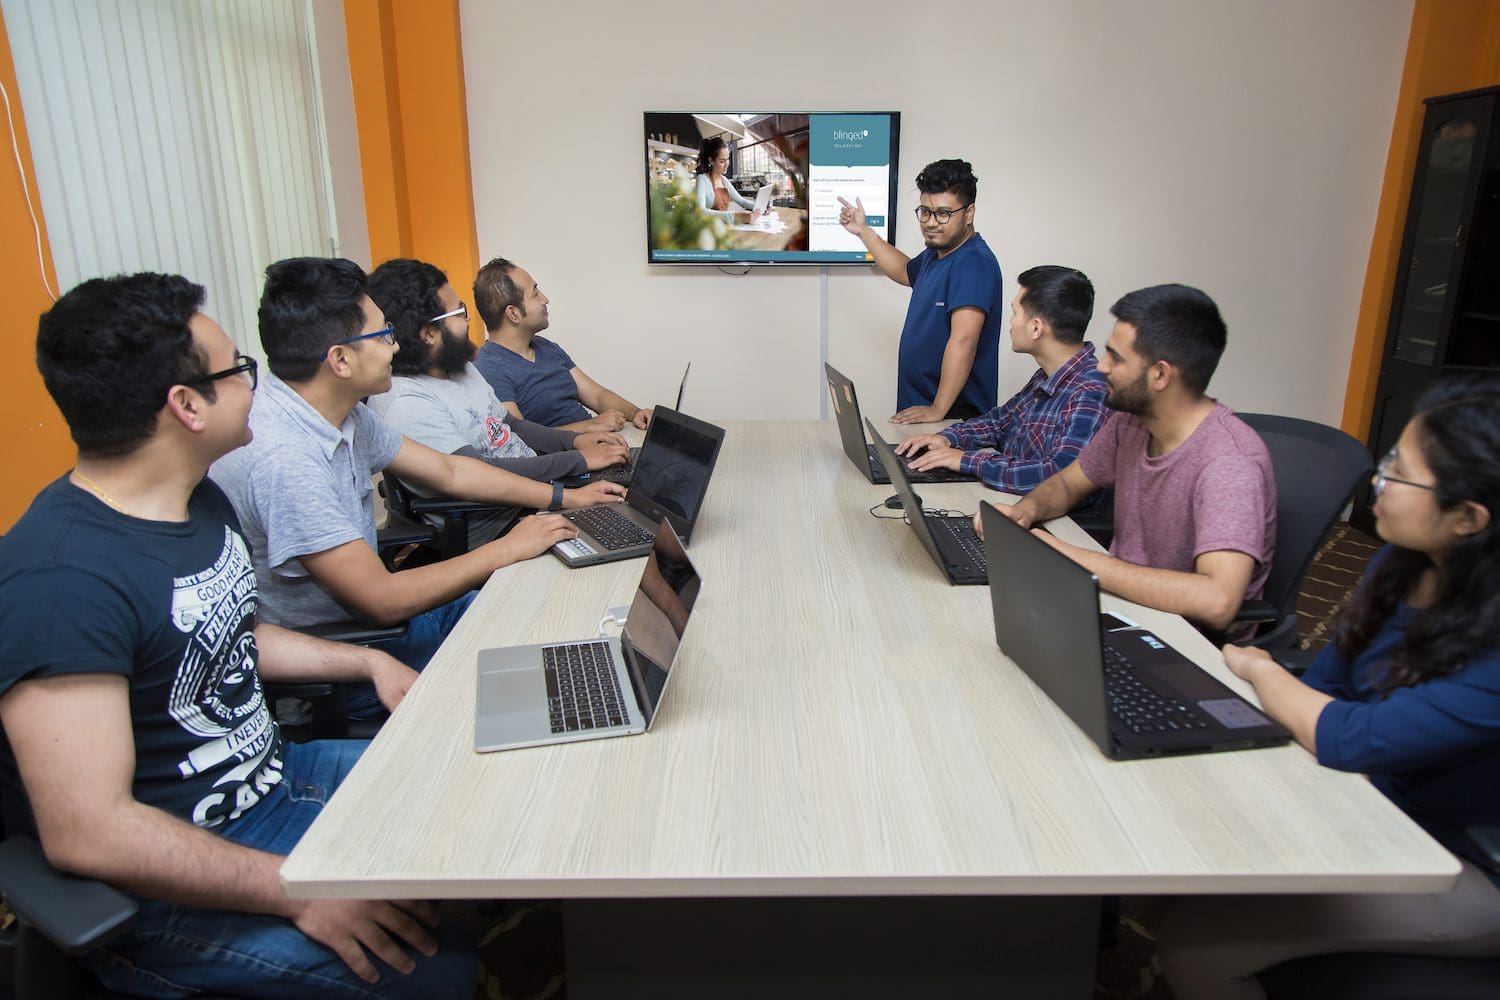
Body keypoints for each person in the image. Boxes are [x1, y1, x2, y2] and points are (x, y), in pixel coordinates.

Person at [0, 272, 478, 997]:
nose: (260, 386)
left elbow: (229, 634)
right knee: (436, 971)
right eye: (239, 371)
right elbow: (89, 832)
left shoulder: (196, 498)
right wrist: (299, 894)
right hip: (172, 880)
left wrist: (364, 665)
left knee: (479, 797)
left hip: (274, 778)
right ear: (187, 405)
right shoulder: (61, 580)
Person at [1157, 374, 1500, 999]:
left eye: (1401, 475)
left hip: (1463, 865)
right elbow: (1329, 682)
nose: (1378, 484)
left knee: (1196, 947)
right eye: (1389, 460)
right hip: (1376, 801)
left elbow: (1350, 735)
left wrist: (1260, 668)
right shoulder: (1398, 563)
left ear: (1469, 518)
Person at [210, 258, 625, 715]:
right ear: (340, 360)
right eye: (382, 335)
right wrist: (508, 548)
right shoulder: (286, 457)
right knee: (544, 687)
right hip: (354, 660)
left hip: (395, 626)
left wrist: (564, 497)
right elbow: (382, 600)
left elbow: (451, 471)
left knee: (560, 623)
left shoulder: (342, 412)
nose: (395, 345)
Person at [979, 284, 1275, 635]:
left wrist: (1061, 554)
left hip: (1186, 643)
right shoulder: (1131, 422)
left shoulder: (1229, 463)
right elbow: (1067, 483)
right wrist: (1025, 512)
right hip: (1122, 609)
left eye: (1115, 358)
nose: (1101, 367)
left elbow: (1217, 601)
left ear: (1160, 375)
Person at [366, 258, 631, 545]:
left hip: (534, 493)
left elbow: (511, 425)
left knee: (643, 493)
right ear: (429, 334)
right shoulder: (407, 402)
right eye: (460, 312)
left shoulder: (459, 368)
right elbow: (477, 473)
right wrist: (576, 464)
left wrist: (575, 442)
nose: (468, 320)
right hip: (496, 523)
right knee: (624, 527)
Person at [894, 264, 1108, 493]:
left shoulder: (1091, 391)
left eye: (1015, 313)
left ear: (1036, 328)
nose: (1011, 322)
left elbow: (1058, 476)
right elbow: (999, 422)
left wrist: (967, 461)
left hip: (1047, 514)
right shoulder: (1047, 376)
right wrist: (948, 438)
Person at [838, 158, 1003, 423]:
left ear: (969, 213)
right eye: (925, 211)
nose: (931, 222)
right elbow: (904, 270)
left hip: (954, 418)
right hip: (923, 408)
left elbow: (965, 340)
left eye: (943, 213)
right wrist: (863, 231)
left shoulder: (973, 264)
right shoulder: (936, 254)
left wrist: (938, 408)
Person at [472, 256, 654, 431]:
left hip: (599, 441)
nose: (545, 299)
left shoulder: (546, 347)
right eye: (535, 294)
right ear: (513, 314)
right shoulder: (489, 367)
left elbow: (597, 395)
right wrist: (589, 426)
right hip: (570, 450)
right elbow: (520, 437)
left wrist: (636, 413)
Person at [693, 134, 762, 223]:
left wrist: (759, 208)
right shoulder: (702, 179)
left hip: (722, 228)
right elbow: (700, 212)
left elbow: (741, 201)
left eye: (727, 159)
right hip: (707, 228)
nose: (727, 164)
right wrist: (736, 216)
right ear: (711, 161)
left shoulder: (724, 181)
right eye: (722, 161)